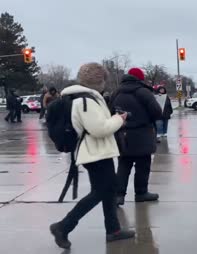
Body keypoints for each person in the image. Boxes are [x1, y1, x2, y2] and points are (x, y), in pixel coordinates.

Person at [50, 63, 135, 250]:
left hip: (97, 151)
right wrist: (119, 119)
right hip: (94, 153)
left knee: (109, 190)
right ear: (100, 80)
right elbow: (99, 129)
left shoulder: (84, 98)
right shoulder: (85, 101)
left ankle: (113, 230)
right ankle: (63, 226)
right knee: (101, 191)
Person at [110, 67, 163, 206]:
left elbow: (109, 113)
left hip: (122, 134)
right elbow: (157, 112)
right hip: (142, 134)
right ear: (140, 79)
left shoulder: (116, 93)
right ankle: (141, 193)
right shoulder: (143, 92)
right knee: (143, 166)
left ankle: (118, 195)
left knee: (123, 165)